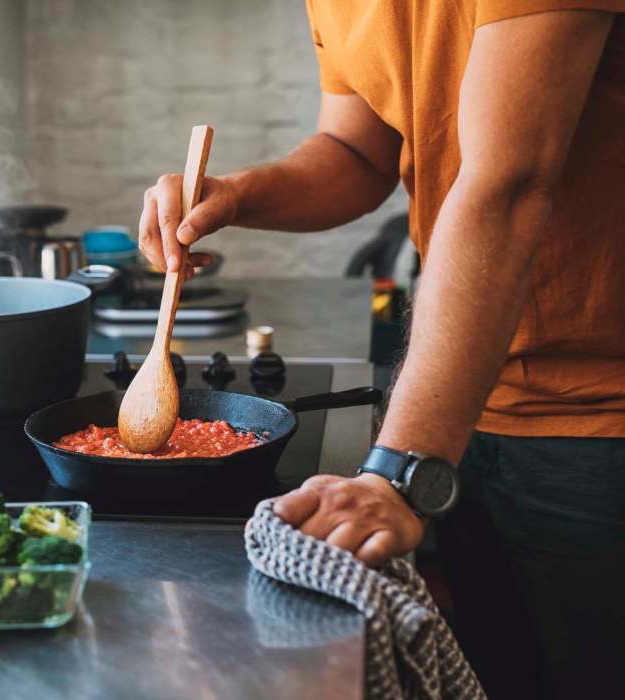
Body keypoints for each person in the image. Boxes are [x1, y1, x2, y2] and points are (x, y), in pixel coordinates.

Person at [137, 3, 624, 698]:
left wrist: (398, 473)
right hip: (473, 397)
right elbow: (356, 152)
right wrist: (234, 195)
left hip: (601, 415)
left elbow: (510, 185)